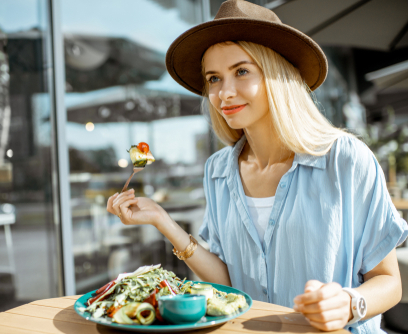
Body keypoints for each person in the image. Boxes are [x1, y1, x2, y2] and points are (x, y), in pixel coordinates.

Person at [107, 1, 408, 333]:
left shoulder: (345, 159)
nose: (224, 93)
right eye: (214, 79)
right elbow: (229, 281)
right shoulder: (218, 171)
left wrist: (350, 304)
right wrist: (163, 221)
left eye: (241, 71)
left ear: (276, 73)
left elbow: (390, 283)